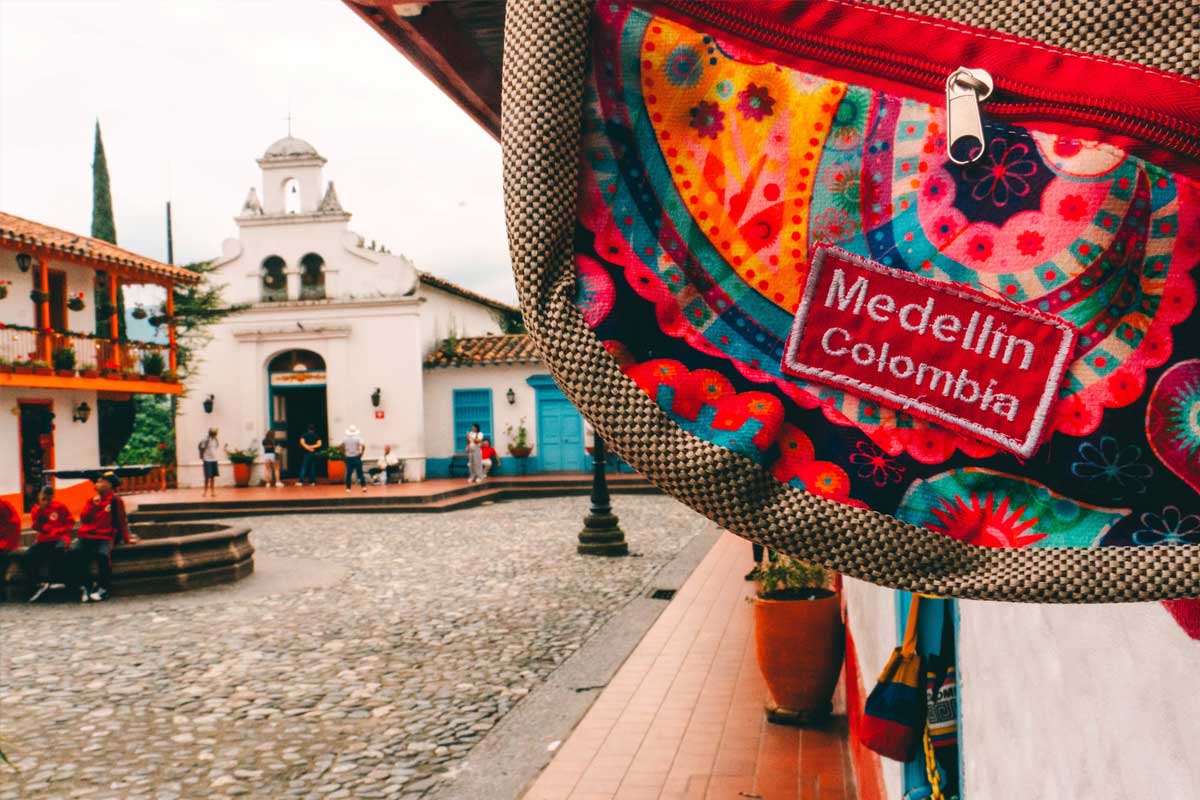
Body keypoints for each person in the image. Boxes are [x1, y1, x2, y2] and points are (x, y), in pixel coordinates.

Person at [71, 471, 138, 603]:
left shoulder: (115, 501)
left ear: (109, 485)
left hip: (105, 535)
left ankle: (103, 587)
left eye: (101, 481)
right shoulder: (91, 500)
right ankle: (86, 585)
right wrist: (93, 506)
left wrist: (126, 538)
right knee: (76, 552)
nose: (97, 484)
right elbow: (84, 519)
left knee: (102, 555)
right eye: (97, 481)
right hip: (88, 535)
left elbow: (121, 520)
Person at [24, 485, 75, 602]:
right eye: (44, 498)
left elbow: (70, 522)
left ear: (52, 497)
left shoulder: (60, 507)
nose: (46, 501)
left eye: (48, 498)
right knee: (27, 556)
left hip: (60, 537)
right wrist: (40, 511)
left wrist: (59, 530)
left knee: (58, 551)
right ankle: (37, 583)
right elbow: (37, 526)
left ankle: (55, 581)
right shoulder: (36, 510)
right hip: (44, 539)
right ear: (40, 497)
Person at [342, 425, 367, 492]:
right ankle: (363, 487)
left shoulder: (345, 438)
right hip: (356, 456)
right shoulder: (358, 438)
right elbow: (363, 446)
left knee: (348, 473)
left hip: (348, 457)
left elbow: (341, 446)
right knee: (360, 473)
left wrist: (344, 454)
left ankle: (348, 488)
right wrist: (362, 453)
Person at [199, 428, 220, 497]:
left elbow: (216, 447)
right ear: (211, 433)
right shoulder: (206, 440)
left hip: (214, 460)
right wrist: (202, 457)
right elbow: (201, 448)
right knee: (207, 477)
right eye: (214, 433)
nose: (215, 434)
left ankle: (212, 492)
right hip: (207, 460)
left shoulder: (215, 440)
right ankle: (205, 491)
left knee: (213, 477)